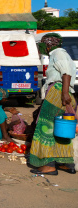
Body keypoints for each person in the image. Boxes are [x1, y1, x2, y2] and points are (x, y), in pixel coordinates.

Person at [29, 33, 77, 175]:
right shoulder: (62, 54)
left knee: (46, 128)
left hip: (58, 92)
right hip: (63, 92)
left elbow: (66, 73)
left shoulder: (58, 53)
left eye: (42, 44)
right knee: (61, 131)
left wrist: (64, 94)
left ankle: (49, 164)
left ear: (49, 44)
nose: (41, 48)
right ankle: (66, 163)